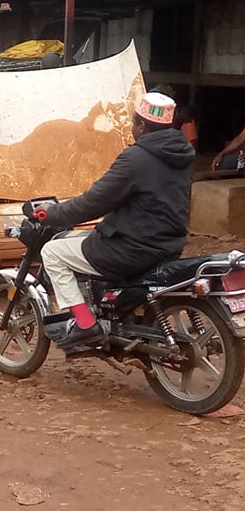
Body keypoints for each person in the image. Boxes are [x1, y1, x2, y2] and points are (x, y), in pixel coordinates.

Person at [38, 92, 194, 349]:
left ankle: (85, 323)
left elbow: (93, 202)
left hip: (131, 248)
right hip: (169, 245)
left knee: (53, 251)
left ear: (141, 126)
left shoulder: (136, 158)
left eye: (134, 122)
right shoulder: (183, 155)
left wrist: (52, 213)